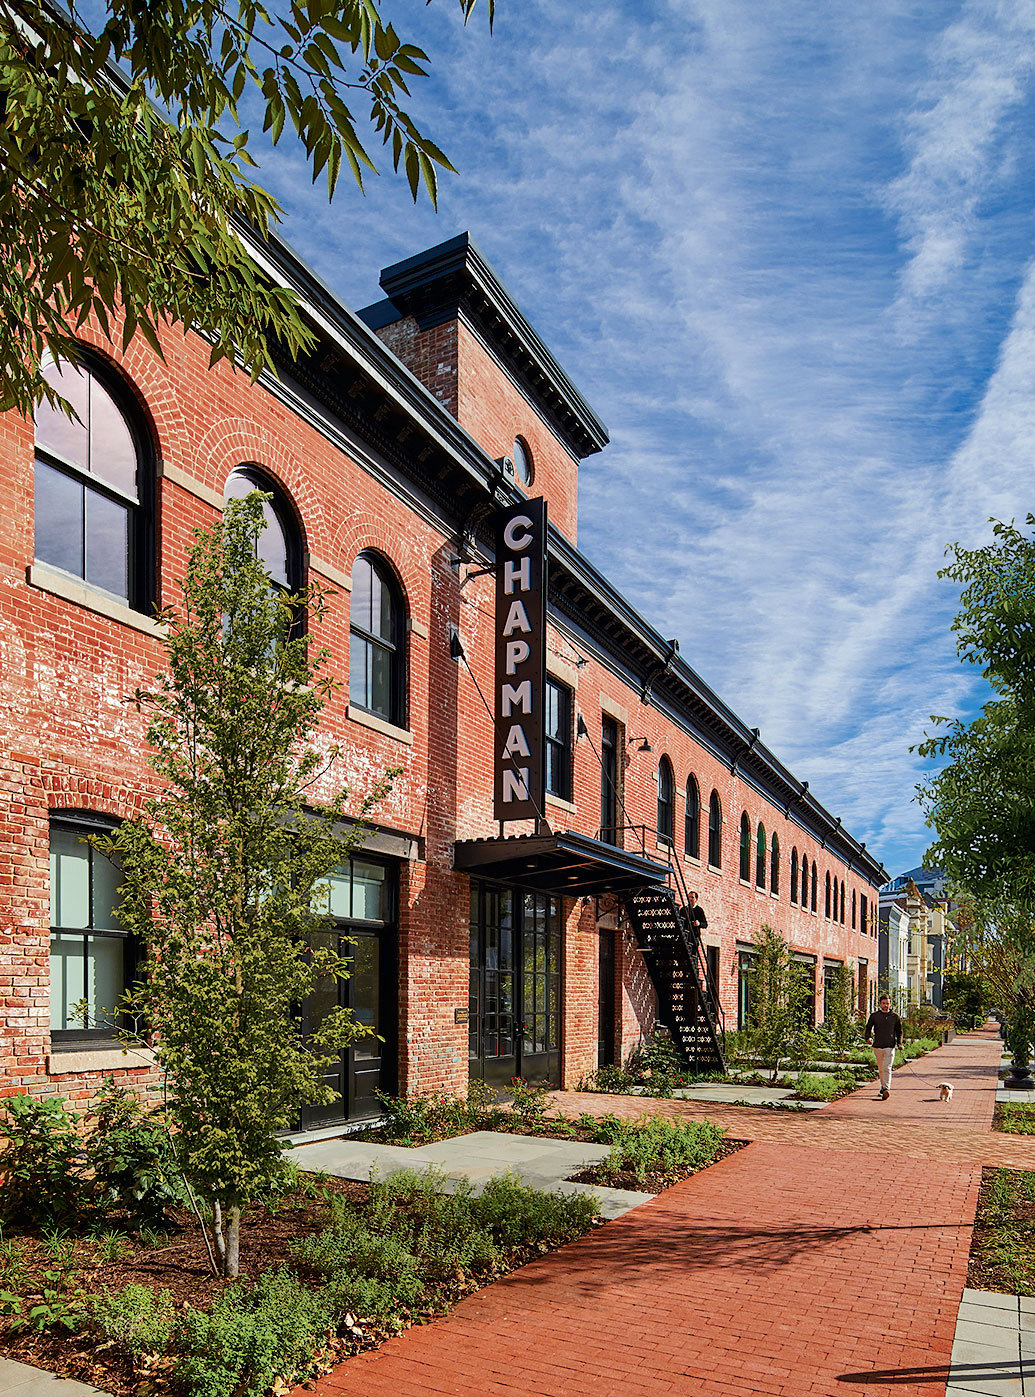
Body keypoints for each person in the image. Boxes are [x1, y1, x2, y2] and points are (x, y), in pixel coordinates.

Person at [865, 994, 903, 1100]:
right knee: (881, 1068)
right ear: (880, 1004)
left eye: (887, 1003)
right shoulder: (874, 1016)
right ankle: (883, 1088)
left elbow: (899, 1031)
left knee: (887, 1067)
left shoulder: (895, 1016)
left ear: (890, 1004)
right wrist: (868, 1038)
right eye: (883, 1003)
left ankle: (886, 1088)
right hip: (877, 1045)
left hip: (890, 1046)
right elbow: (868, 1028)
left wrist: (899, 1043)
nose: (886, 1005)